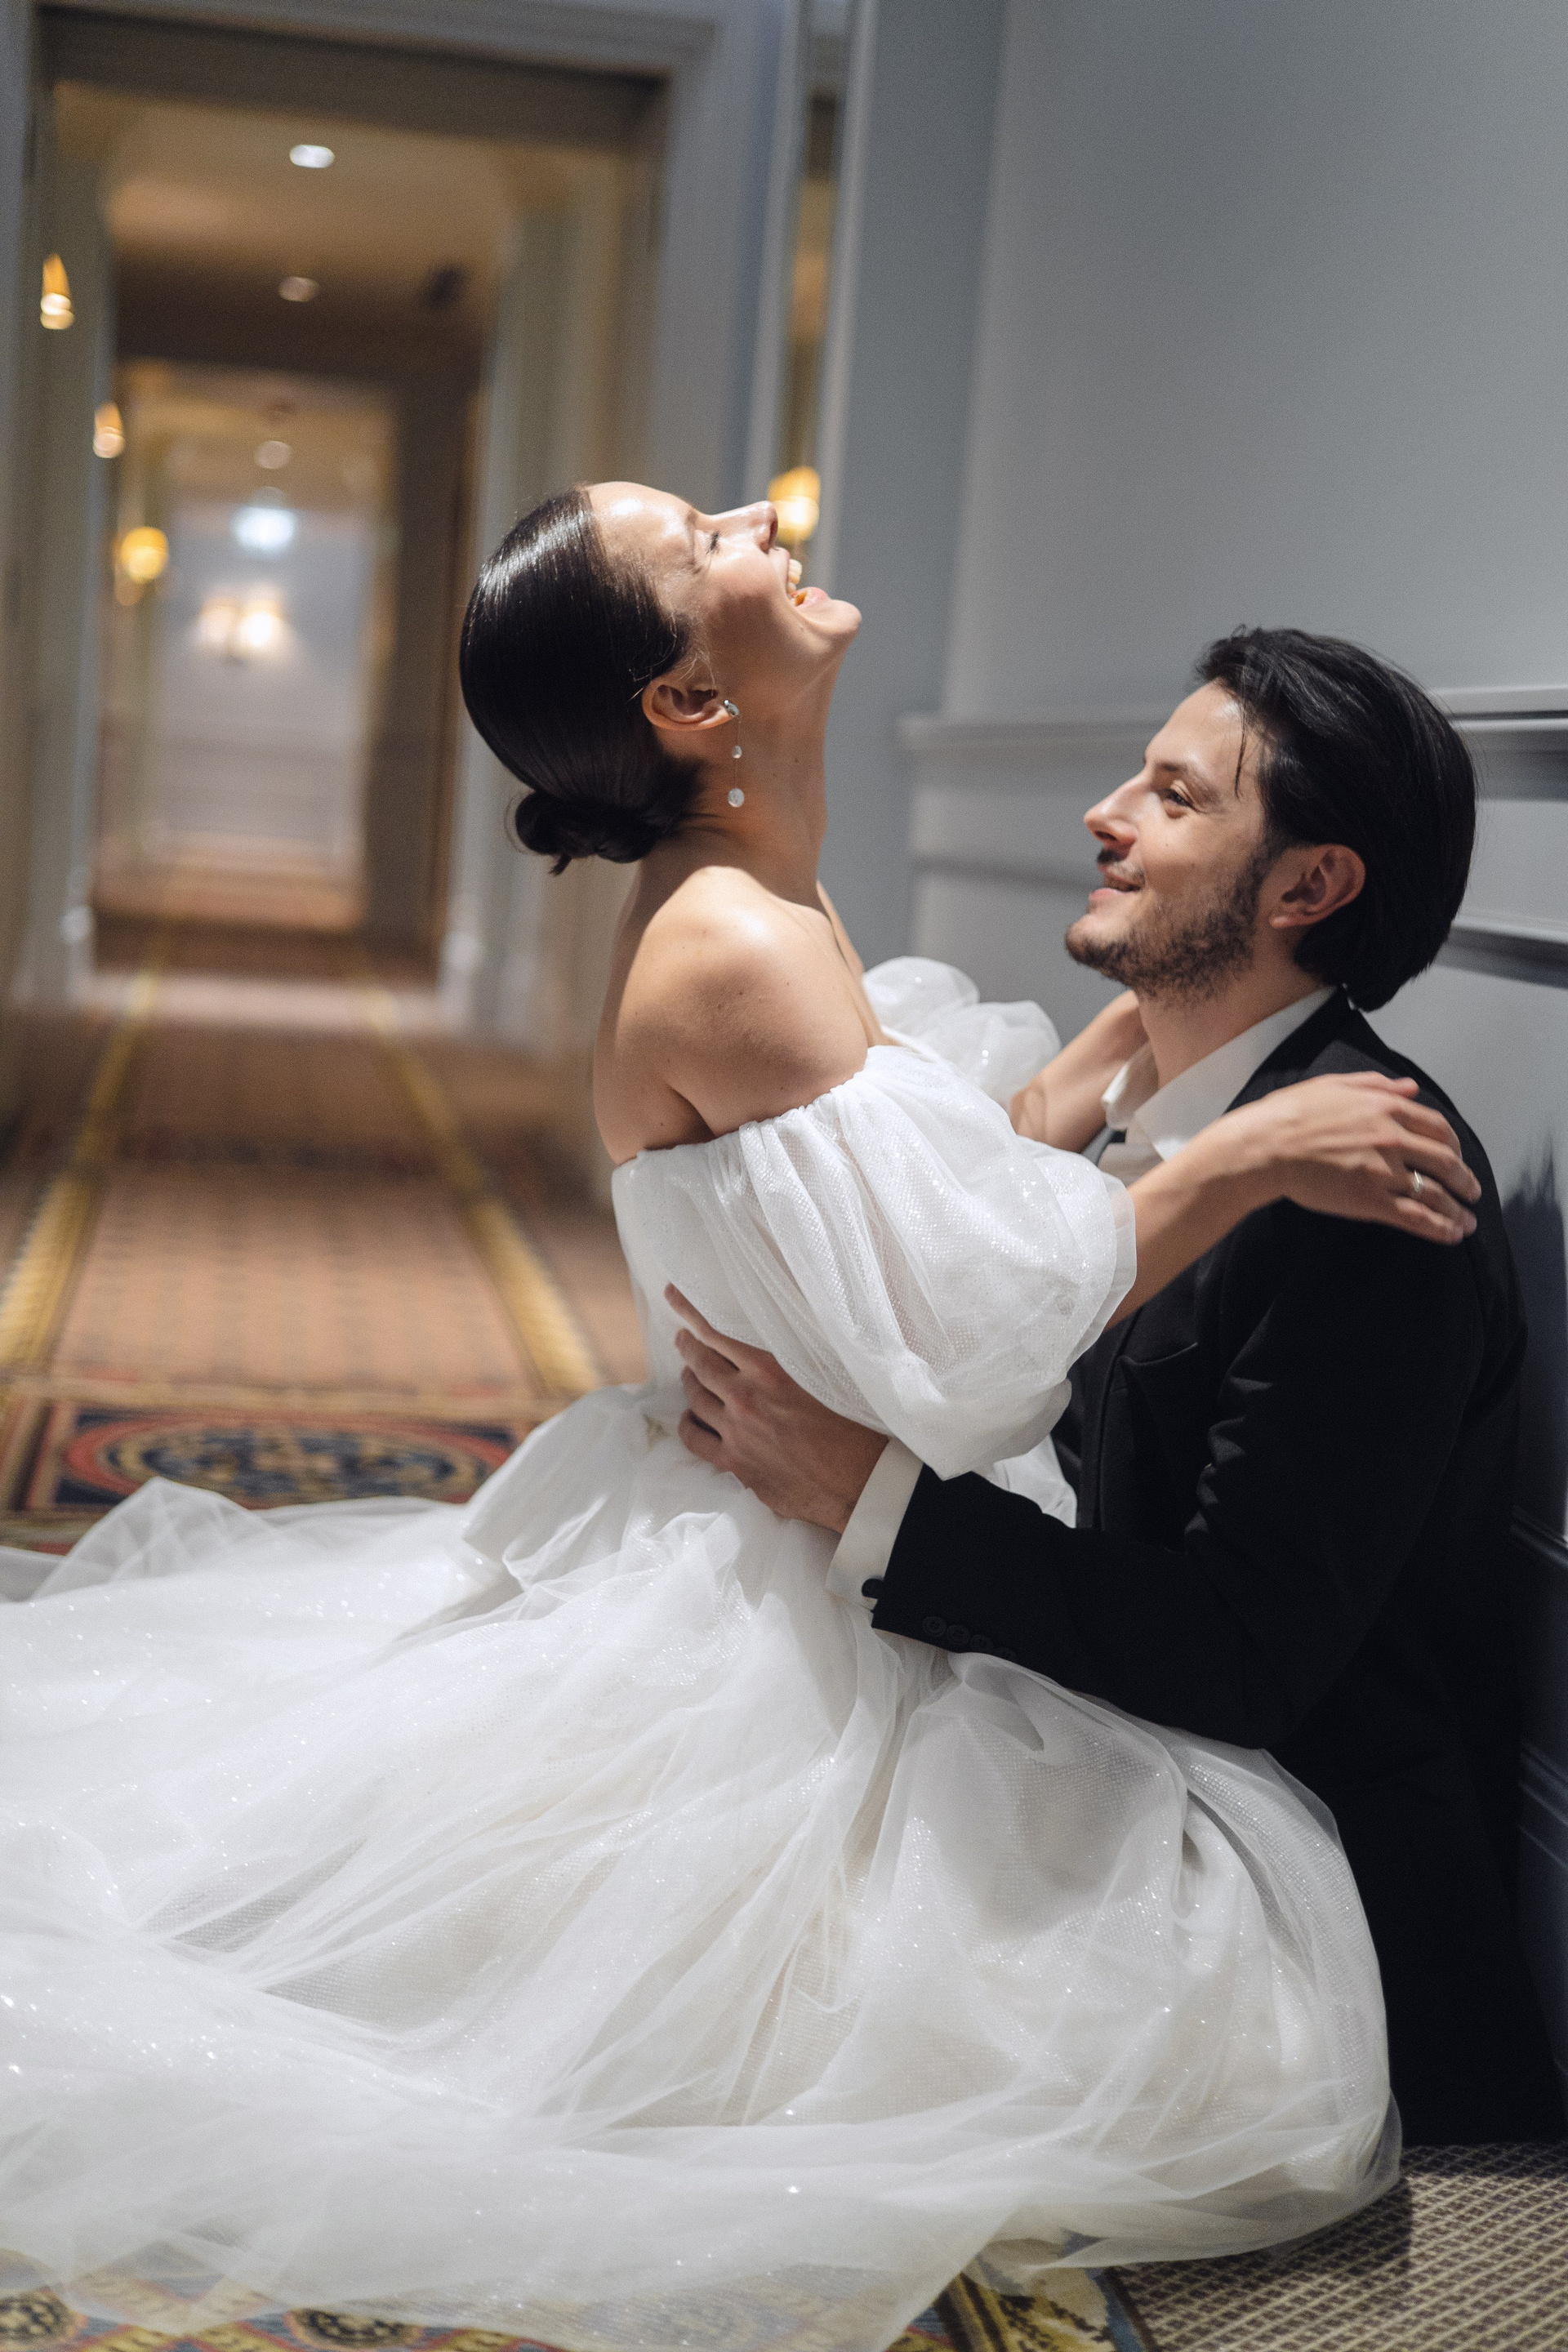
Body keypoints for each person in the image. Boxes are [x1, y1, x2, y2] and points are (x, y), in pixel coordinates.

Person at [0, 498, 1486, 2352]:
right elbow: (976, 1326)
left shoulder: (769, 900)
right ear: (693, 702)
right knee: (596, 2022)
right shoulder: (736, 941)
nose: (760, 515)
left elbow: (915, 1207)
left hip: (792, 1523)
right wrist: (1232, 1155)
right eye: (701, 538)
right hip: (764, 1569)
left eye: (1173, 794)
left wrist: (1110, 1085)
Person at [670, 626, 1566, 2148]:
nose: (1106, 814)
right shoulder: (1165, 1095)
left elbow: (1246, 1658)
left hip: (1284, 1858)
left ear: (1306, 887)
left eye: (1174, 796)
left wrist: (871, 1500)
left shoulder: (1374, 1200)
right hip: (1102, 1720)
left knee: (774, 2021)